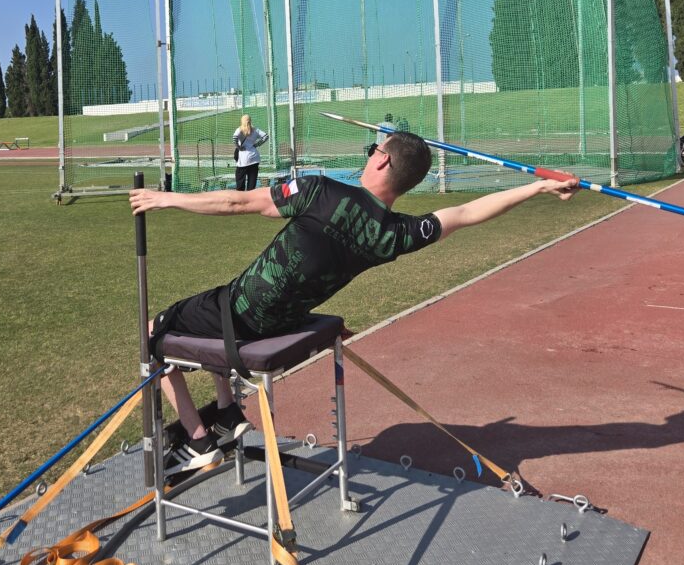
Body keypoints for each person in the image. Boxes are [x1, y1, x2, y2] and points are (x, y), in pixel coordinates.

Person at [129, 130, 579, 473]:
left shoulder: (319, 191)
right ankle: (228, 412)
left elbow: (236, 203)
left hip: (244, 314)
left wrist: (166, 199)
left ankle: (199, 440)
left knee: (154, 331)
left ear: (382, 160)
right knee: (210, 304)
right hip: (282, 320)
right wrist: (536, 188)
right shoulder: (395, 234)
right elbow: (465, 213)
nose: (370, 154)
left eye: (374, 149)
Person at [233, 113, 268, 191]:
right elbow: (266, 136)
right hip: (254, 158)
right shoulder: (255, 130)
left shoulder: (239, 130)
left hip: (243, 160)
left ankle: (241, 198)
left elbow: (234, 138)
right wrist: (257, 144)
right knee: (252, 185)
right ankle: (250, 197)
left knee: (240, 183)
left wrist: (239, 147)